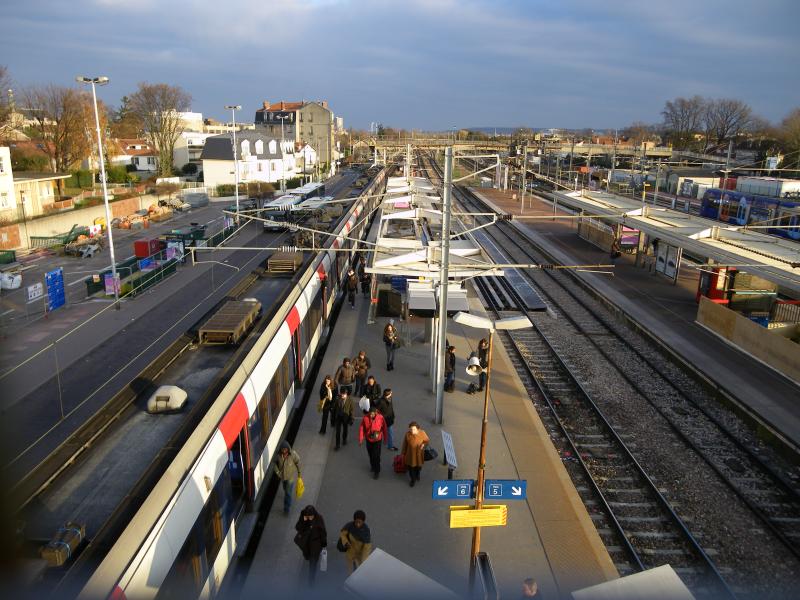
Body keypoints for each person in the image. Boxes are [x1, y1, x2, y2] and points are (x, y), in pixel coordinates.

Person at [294, 505, 327, 586]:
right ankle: (308, 558)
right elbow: (298, 527)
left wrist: (324, 544)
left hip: (316, 544)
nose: (310, 518)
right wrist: (303, 521)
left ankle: (311, 581)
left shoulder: (319, 518)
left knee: (313, 563)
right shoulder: (304, 517)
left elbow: (323, 533)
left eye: (311, 517)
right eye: (308, 516)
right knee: (308, 556)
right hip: (306, 542)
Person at [359, 406, 388, 479]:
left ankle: (377, 471)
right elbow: (362, 428)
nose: (371, 415)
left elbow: (384, 428)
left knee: (376, 456)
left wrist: (385, 439)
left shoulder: (380, 417)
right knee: (371, 454)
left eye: (372, 414)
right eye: (370, 414)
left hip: (377, 440)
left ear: (375, 413)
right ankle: (372, 466)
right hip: (369, 439)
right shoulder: (365, 418)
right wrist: (361, 439)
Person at [273, 441, 301, 514]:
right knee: (285, 488)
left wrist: (299, 473)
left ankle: (286, 509)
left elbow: (298, 462)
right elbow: (274, 464)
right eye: (283, 449)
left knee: (288, 494)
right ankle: (286, 494)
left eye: (286, 449)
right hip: (283, 477)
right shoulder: (278, 456)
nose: (284, 451)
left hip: (290, 478)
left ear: (288, 449)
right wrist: (278, 472)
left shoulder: (293, 454)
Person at [401, 421, 429, 487]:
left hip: (419, 454)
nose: (412, 431)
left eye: (413, 429)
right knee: (411, 468)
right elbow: (405, 444)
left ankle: (418, 474)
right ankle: (412, 480)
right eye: (410, 429)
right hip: (410, 455)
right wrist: (403, 453)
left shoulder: (422, 433)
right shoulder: (407, 434)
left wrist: (423, 445)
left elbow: (427, 440)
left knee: (418, 467)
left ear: (417, 428)